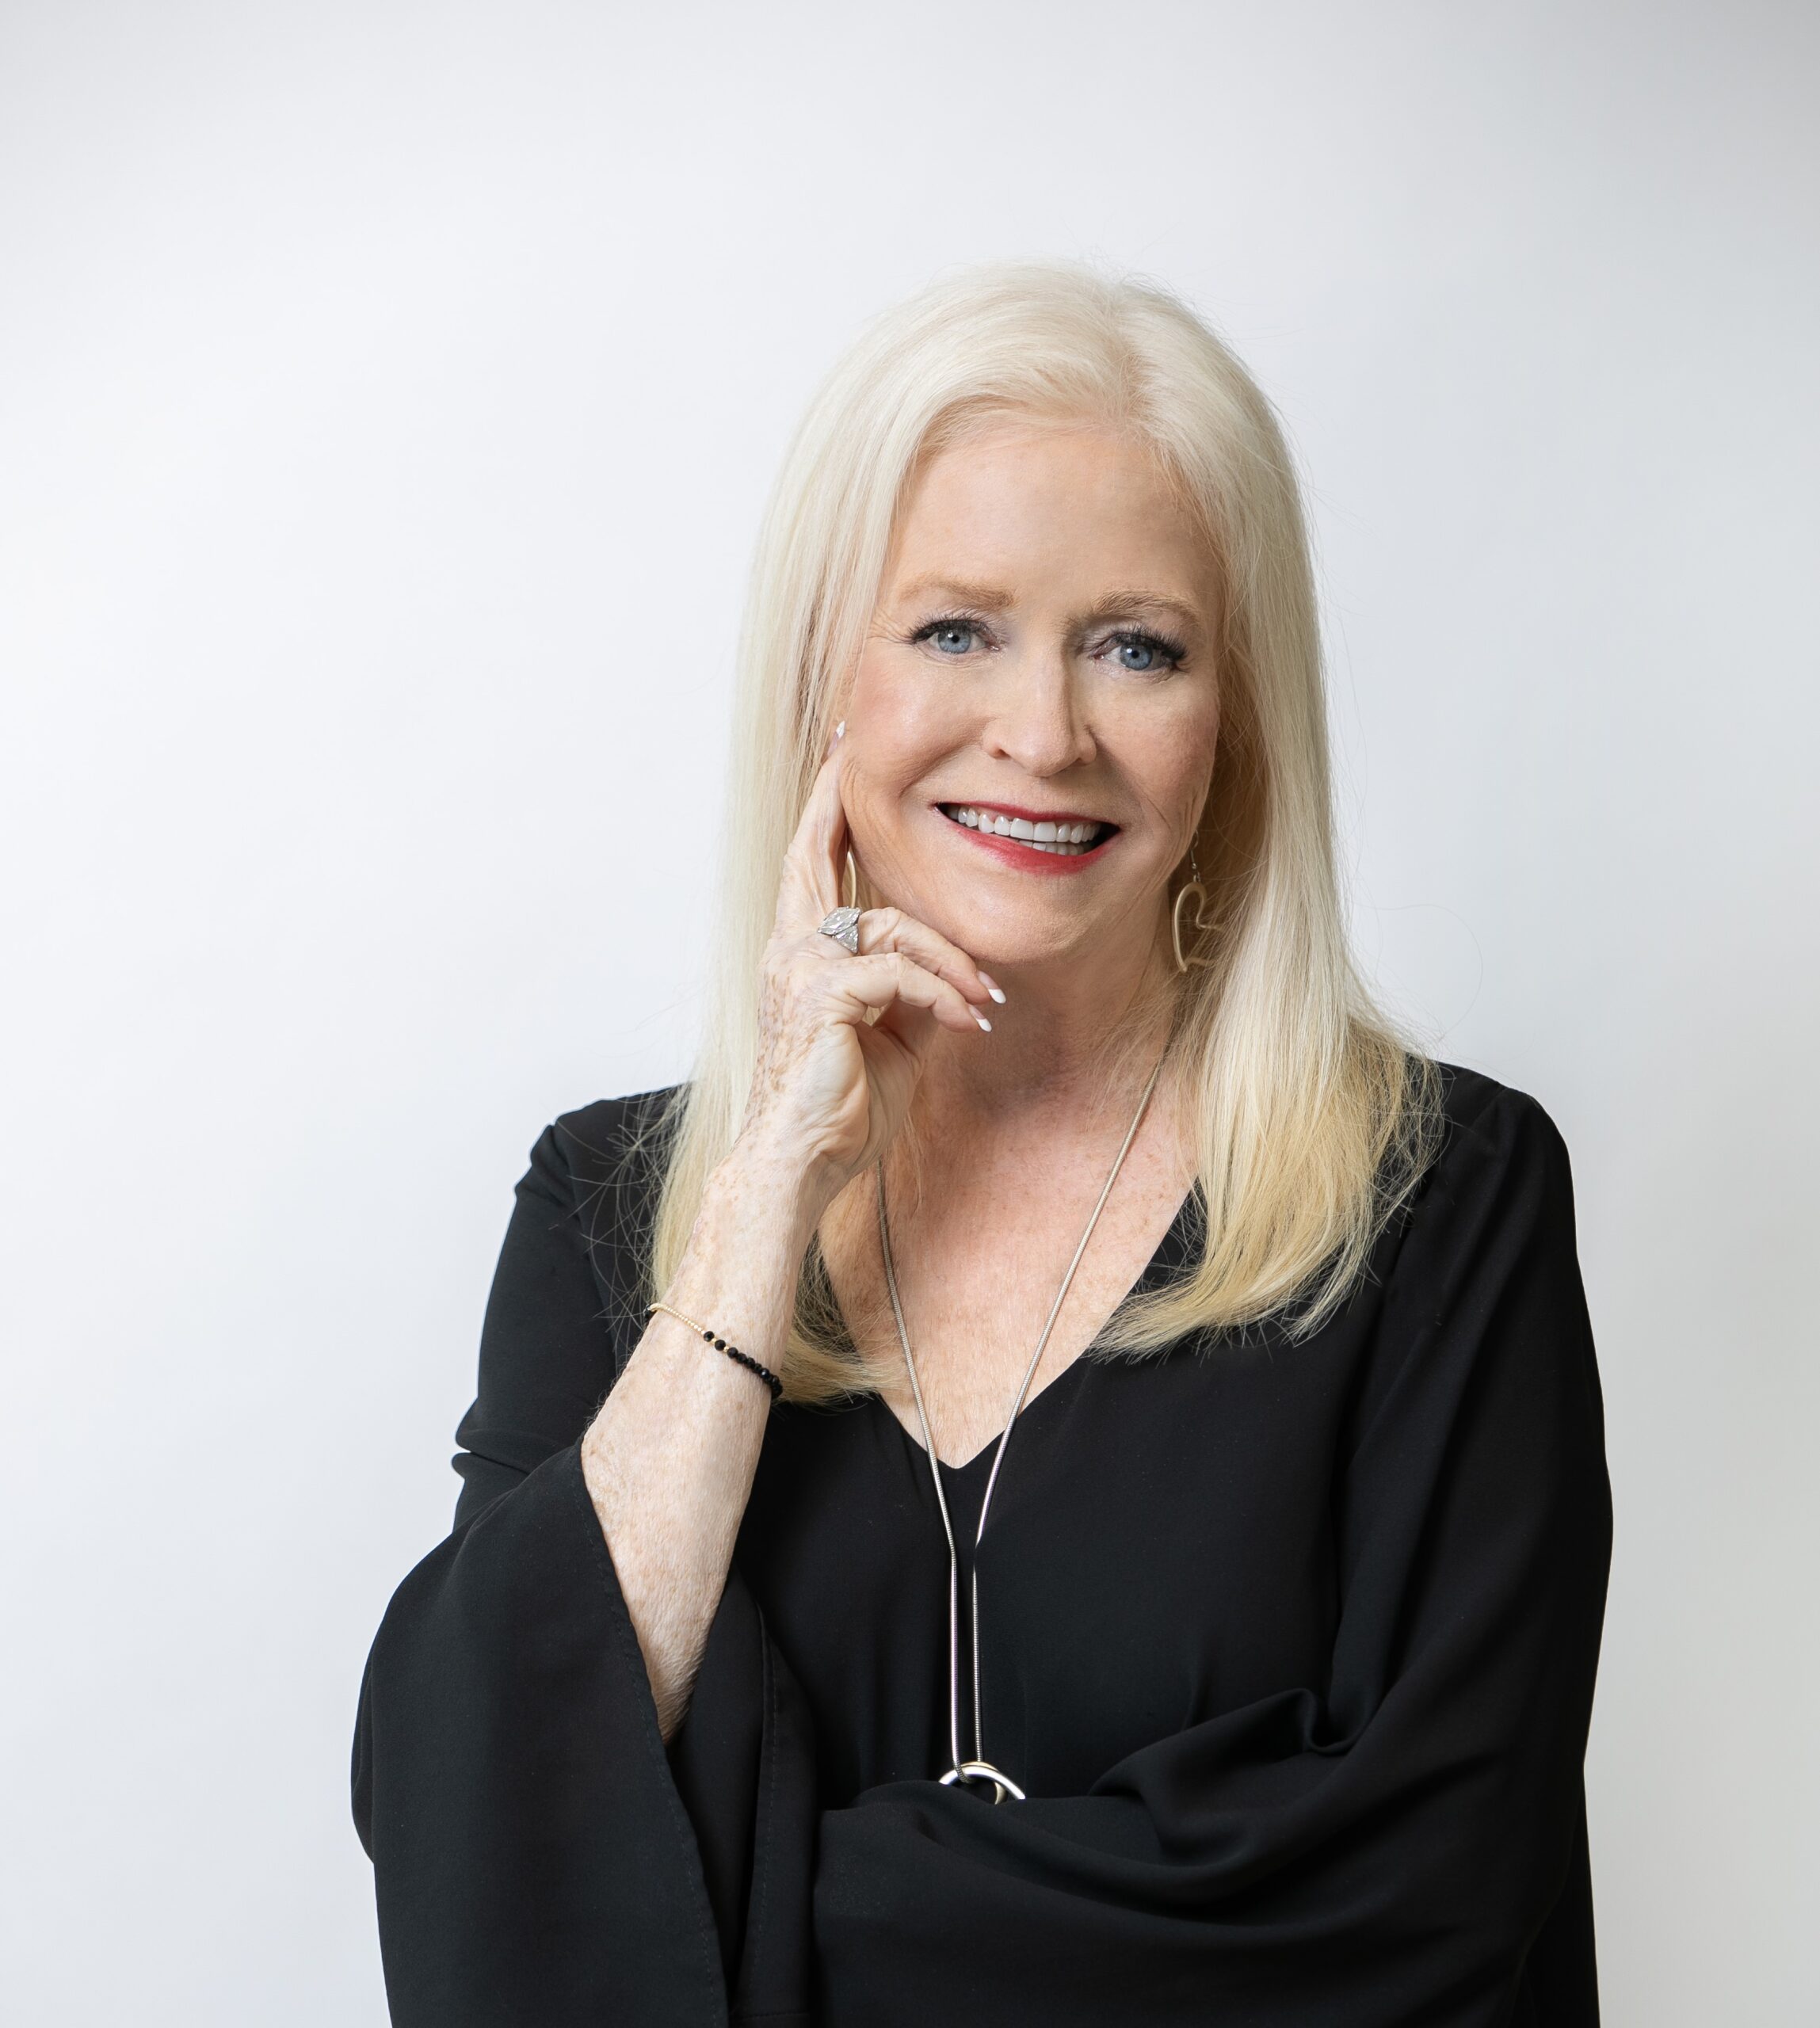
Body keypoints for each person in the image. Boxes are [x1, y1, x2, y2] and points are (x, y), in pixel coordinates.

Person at [352, 261, 1612, 2026]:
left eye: (1138, 645)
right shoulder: (610, 1210)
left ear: (1234, 723)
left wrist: (727, 1905)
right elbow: (475, 1839)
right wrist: (760, 1205)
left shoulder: (1439, 1201)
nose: (1045, 731)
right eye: (955, 628)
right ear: (827, 682)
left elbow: (1426, 1902)